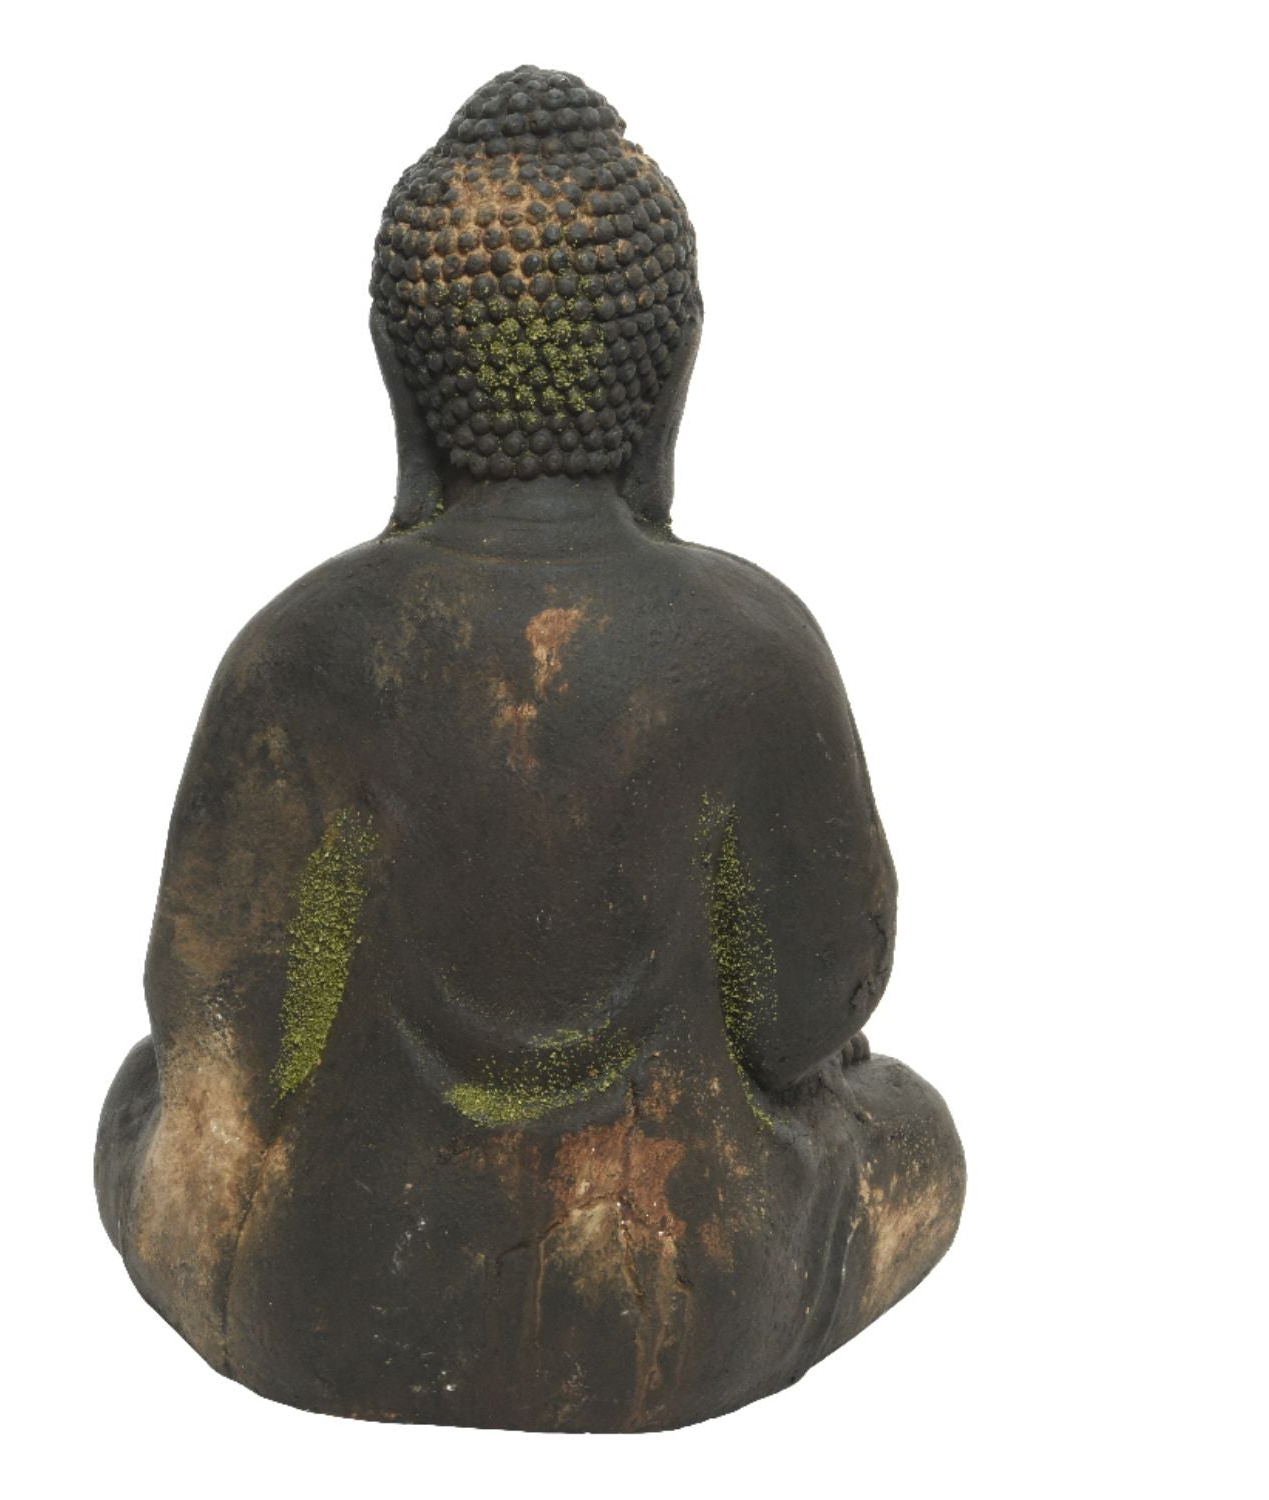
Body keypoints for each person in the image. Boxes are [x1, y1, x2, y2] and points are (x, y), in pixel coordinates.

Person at [96, 66, 964, 1432]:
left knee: (130, 1107)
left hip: (327, 1302)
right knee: (919, 1136)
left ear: (403, 382)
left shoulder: (297, 650)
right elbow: (813, 1012)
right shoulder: (752, 646)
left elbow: (210, 1028)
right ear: (671, 377)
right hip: (693, 1304)